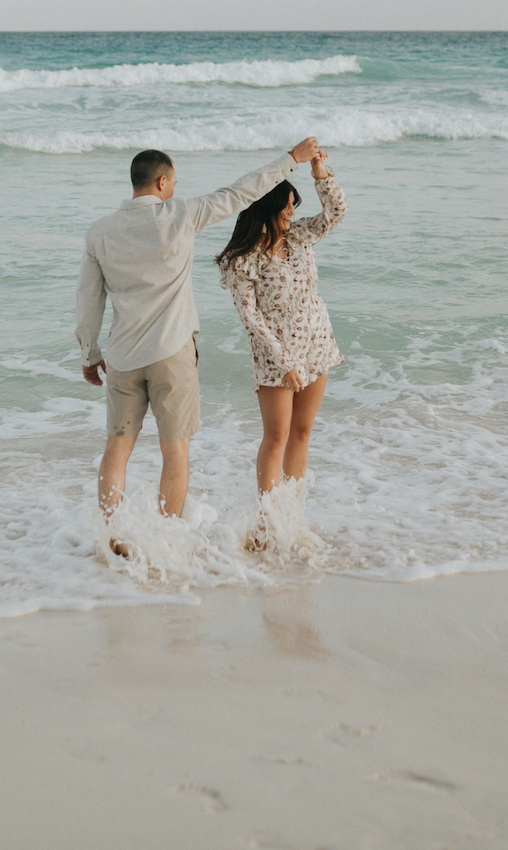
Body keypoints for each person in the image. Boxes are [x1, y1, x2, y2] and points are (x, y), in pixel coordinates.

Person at [76, 137, 321, 544]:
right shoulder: (181, 214)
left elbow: (88, 299)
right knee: (176, 451)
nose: (173, 189)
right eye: (171, 183)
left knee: (117, 449)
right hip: (172, 353)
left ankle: (111, 533)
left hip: (123, 356)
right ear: (160, 182)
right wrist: (291, 160)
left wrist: (89, 351)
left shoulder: (99, 232)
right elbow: (242, 192)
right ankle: (168, 539)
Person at [215, 148, 347, 529]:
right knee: (277, 437)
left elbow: (336, 212)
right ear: (266, 207)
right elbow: (250, 318)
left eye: (294, 206)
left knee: (302, 433)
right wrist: (285, 363)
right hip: (276, 356)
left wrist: (320, 172)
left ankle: (292, 513)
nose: (292, 213)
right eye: (286, 207)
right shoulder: (244, 258)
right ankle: (268, 519)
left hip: (318, 345)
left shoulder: (301, 236)